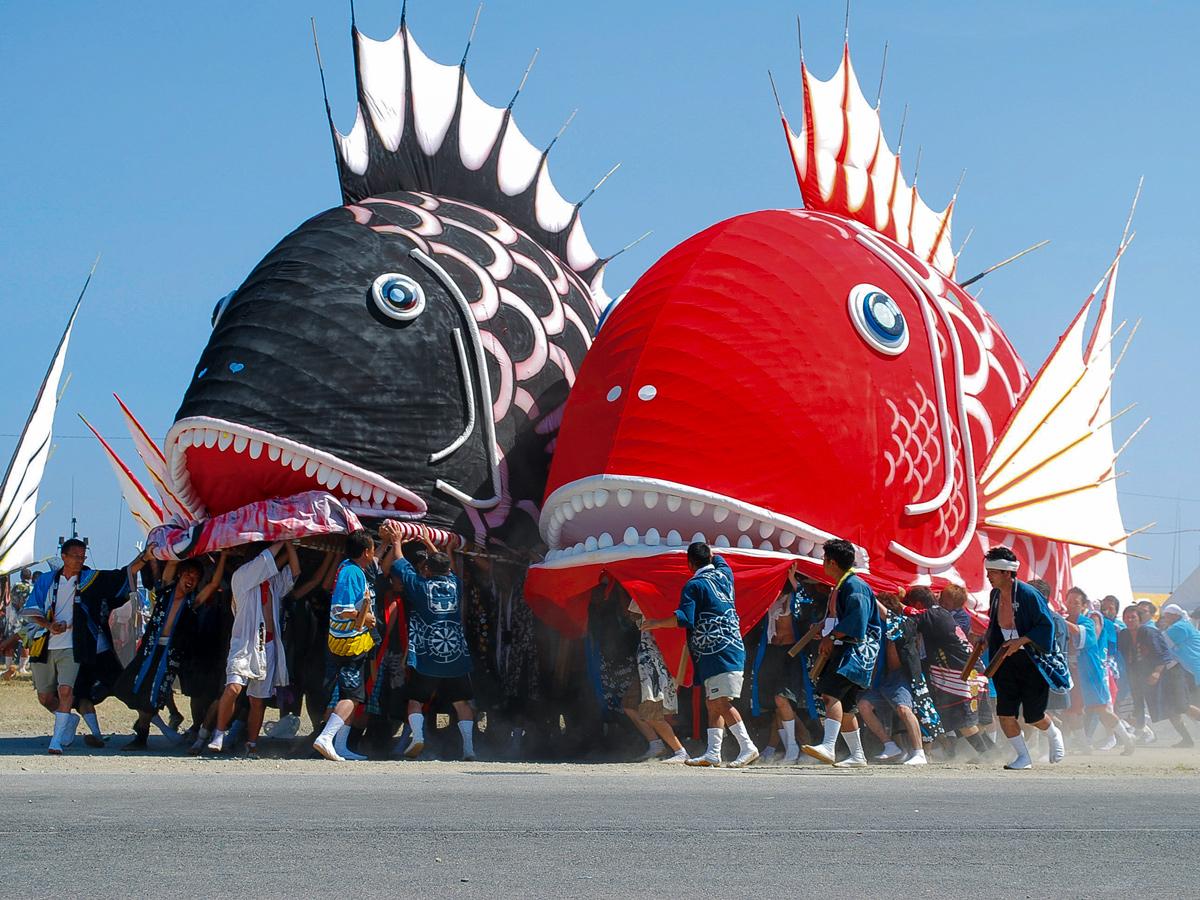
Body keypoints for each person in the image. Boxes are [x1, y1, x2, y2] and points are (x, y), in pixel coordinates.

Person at [20, 539, 144, 754]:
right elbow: (32, 610)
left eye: (83, 556)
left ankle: (56, 742)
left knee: (66, 690)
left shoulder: (89, 579)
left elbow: (121, 574)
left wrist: (146, 556)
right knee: (45, 698)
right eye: (76, 556)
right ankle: (70, 721)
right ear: (64, 556)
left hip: (74, 645)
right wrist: (49, 625)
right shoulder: (46, 581)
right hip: (45, 644)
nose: (80, 560)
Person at [642, 542, 758, 768]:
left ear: (689, 563)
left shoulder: (694, 585)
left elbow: (685, 618)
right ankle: (713, 752)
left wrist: (656, 622)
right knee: (712, 701)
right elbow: (720, 558)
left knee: (721, 702)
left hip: (718, 652)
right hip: (728, 648)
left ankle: (747, 746)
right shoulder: (726, 575)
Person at [116, 552, 226, 750]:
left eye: (195, 578)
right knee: (130, 686)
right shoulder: (165, 591)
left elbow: (213, 585)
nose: (190, 580)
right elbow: (172, 564)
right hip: (150, 649)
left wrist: (223, 557)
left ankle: (142, 735)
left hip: (170, 655)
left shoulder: (193, 602)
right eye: (188, 575)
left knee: (155, 694)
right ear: (180, 575)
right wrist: (183, 547)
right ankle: (148, 726)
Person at [389, 525, 478, 761]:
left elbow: (400, 562)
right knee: (462, 702)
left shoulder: (419, 586)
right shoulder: (456, 585)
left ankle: (417, 737)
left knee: (416, 700)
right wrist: (432, 545)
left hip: (428, 655)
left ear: (427, 569)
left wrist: (397, 540)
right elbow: (444, 566)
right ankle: (468, 747)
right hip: (455, 655)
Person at [206, 542, 299, 757]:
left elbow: (295, 572)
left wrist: (290, 545)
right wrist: (281, 538)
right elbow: (265, 559)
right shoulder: (241, 577)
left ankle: (252, 743)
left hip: (268, 646)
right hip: (245, 644)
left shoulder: (273, 582)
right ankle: (219, 732)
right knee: (233, 688)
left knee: (258, 700)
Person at [983, 547, 1069, 769]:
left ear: (1006, 573)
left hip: (1031, 661)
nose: (988, 576)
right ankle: (1023, 757)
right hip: (1005, 660)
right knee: (1004, 713)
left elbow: (1045, 626)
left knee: (1033, 716)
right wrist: (985, 638)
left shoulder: (1029, 594)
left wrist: (1019, 641)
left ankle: (1053, 732)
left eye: (992, 571)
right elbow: (995, 623)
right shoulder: (994, 595)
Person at [800, 539, 882, 768]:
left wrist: (833, 636)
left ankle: (828, 746)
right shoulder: (846, 585)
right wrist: (827, 633)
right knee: (845, 707)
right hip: (847, 649)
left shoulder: (854, 586)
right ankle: (857, 755)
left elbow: (857, 621)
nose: (823, 564)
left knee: (829, 693)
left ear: (832, 562)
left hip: (854, 653)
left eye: (824, 560)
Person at [313, 531, 378, 762]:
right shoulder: (352, 572)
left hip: (349, 642)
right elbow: (341, 608)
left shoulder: (351, 568)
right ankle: (326, 738)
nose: (373, 555)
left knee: (350, 695)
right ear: (365, 552)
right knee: (352, 696)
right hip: (350, 644)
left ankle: (340, 746)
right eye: (372, 550)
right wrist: (366, 617)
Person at [1061, 587, 1135, 755]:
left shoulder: (1090, 618)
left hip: (1091, 670)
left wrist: (1062, 621)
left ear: (1083, 605)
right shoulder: (1065, 620)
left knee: (1101, 709)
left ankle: (1127, 739)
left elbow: (1090, 638)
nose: (1072, 605)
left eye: (1076, 602)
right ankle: (1084, 746)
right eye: (1069, 601)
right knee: (1072, 711)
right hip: (1073, 671)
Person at [858, 592, 928, 765]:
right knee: (864, 705)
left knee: (904, 709)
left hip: (902, 678)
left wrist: (867, 594)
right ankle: (890, 745)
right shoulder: (874, 628)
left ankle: (919, 753)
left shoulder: (905, 624)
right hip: (883, 679)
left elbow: (888, 617)